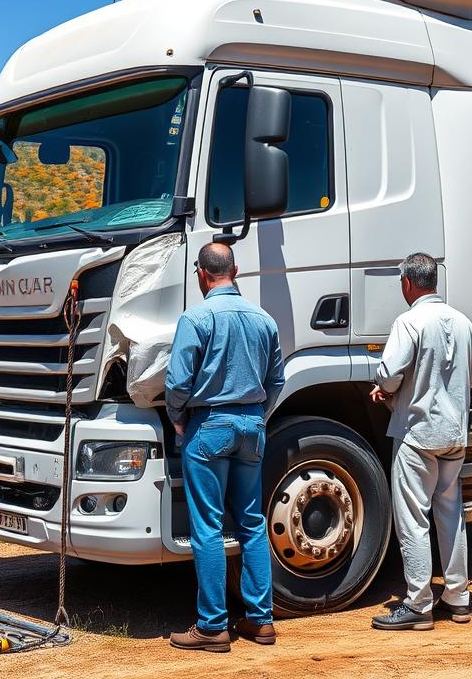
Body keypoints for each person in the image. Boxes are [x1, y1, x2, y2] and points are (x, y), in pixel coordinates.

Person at [165, 243, 284, 652]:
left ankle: (213, 626)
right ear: (237, 270)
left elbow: (178, 383)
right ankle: (260, 621)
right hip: (252, 424)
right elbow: (278, 381)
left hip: (210, 426)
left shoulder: (195, 318)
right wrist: (257, 416)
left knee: (208, 528)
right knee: (252, 522)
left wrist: (179, 418)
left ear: (201, 273)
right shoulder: (264, 319)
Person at [369, 252, 472, 631]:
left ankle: (418, 604)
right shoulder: (463, 321)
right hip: (454, 434)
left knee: (413, 519)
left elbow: (388, 374)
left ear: (407, 283)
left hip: (417, 434)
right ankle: (459, 596)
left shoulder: (409, 321)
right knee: (451, 513)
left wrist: (385, 392)